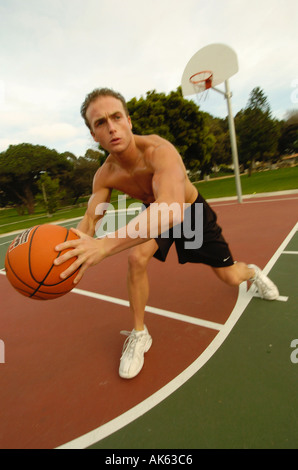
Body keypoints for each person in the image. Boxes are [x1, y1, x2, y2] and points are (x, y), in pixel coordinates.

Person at [54, 88, 279, 379]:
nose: (111, 127)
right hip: (155, 215)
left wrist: (104, 245)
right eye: (100, 123)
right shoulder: (105, 175)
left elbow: (171, 210)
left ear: (129, 121)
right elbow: (90, 220)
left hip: (189, 213)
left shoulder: (159, 152)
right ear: (93, 135)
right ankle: (139, 334)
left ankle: (251, 272)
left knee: (229, 276)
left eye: (116, 117)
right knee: (136, 259)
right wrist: (70, 253)